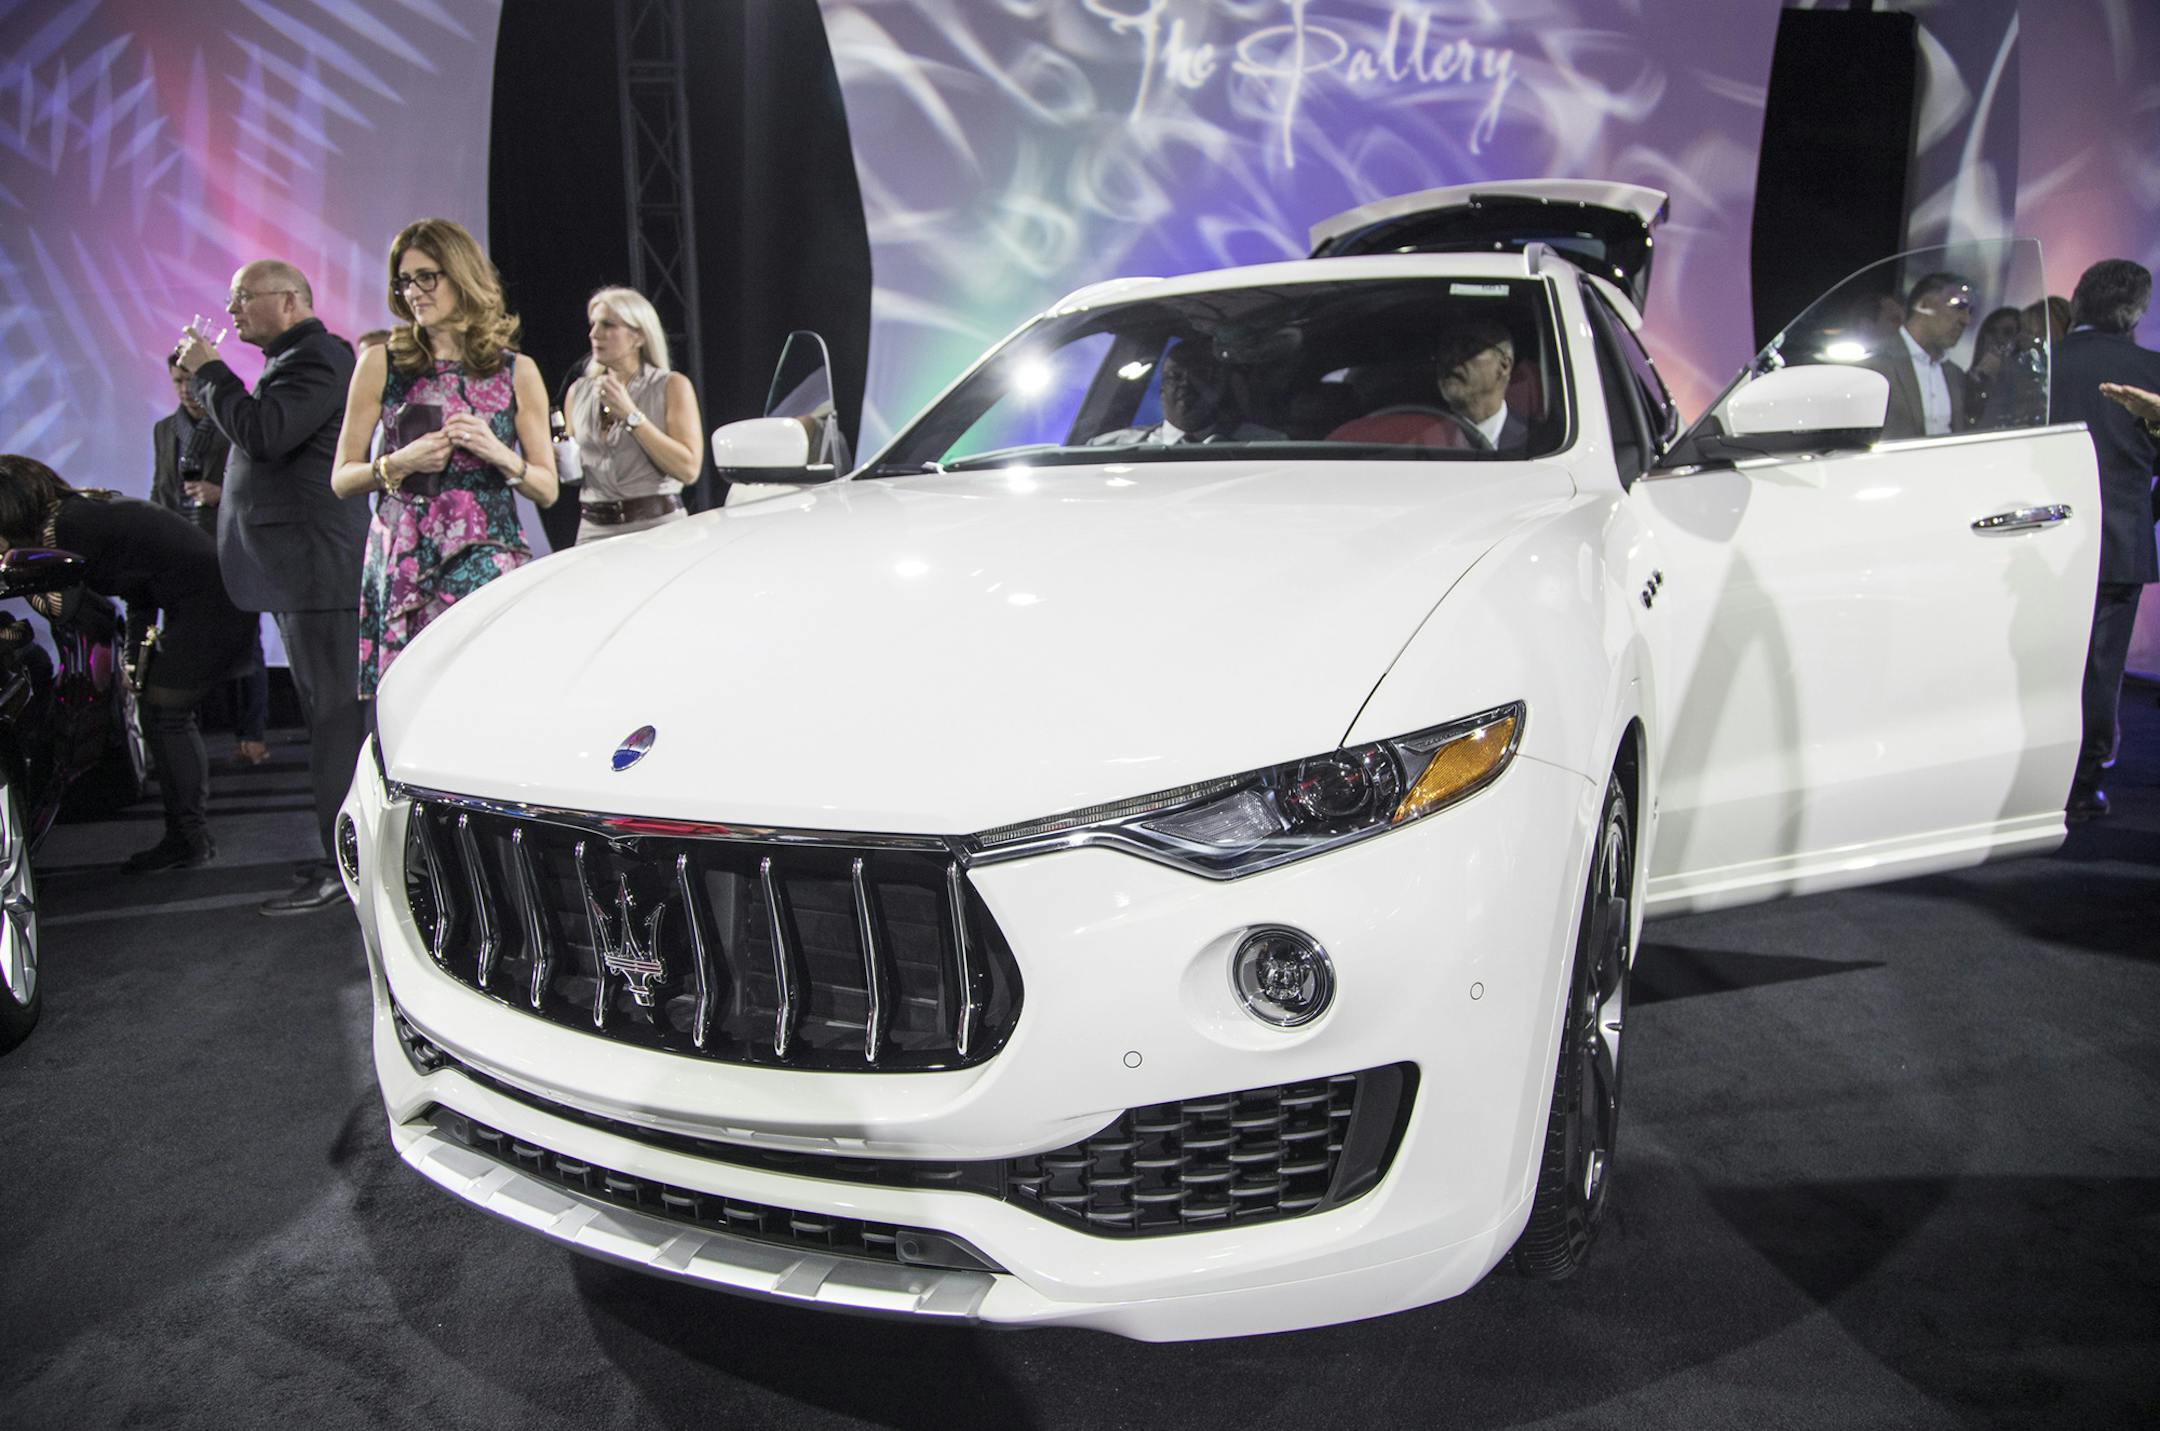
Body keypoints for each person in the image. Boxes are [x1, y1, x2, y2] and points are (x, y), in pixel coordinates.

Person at [173, 258, 369, 915]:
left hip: (319, 570)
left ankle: (346, 871)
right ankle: (347, 859)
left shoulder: (316, 357)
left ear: (288, 302)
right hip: (305, 572)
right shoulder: (297, 360)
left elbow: (264, 434)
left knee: (337, 725)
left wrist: (210, 369)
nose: (230, 314)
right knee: (330, 721)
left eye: (241, 300)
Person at [330, 218, 556, 700]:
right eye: (404, 280)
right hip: (405, 554)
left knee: (488, 691)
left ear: (461, 276)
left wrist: (497, 453)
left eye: (426, 277)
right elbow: (343, 478)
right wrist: (398, 463)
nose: (414, 292)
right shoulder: (381, 363)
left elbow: (547, 487)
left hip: (486, 552)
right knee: (411, 699)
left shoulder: (516, 371)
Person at [0, 455, 257, 870]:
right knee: (162, 714)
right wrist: (135, 654)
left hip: (210, 603)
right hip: (205, 598)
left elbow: (59, 607)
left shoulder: (67, 526)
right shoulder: (77, 511)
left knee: (166, 716)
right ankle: (186, 837)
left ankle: (189, 840)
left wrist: (12, 561)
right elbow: (139, 583)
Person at [2050, 259, 2160, 820]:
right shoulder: (2152, 368)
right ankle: (2084, 784)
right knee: (2100, 668)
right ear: (2137, 311)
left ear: (2078, 298)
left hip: (2035, 542)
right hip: (2119, 542)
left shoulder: (2041, 366)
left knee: (2034, 660)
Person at [150, 353, 269, 766]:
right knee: (181, 647)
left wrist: (220, 494)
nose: (185, 387)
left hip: (229, 546)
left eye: (190, 378)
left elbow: (258, 481)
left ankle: (252, 735)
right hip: (183, 552)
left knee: (247, 647)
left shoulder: (230, 421)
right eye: (177, 380)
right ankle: (187, 736)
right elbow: (161, 489)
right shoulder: (165, 430)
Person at [559, 286, 702, 542]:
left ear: (638, 336)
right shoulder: (578, 392)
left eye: (608, 325)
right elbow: (572, 473)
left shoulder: (670, 386)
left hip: (657, 528)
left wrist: (631, 415)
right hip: (594, 530)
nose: (594, 334)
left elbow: (689, 469)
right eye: (593, 325)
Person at [1327, 319, 1527, 452]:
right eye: (1444, 350)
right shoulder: (1409, 441)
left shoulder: (1544, 442)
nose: (1451, 359)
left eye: (1468, 348)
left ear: (1504, 365)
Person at [1091, 340, 1281, 445]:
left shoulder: (1266, 445)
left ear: (1221, 384)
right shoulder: (1109, 447)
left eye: (1199, 375)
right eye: (1174, 376)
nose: (1185, 385)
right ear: (1161, 388)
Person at [1869, 271, 1974, 439]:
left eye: (1970, 311)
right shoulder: (1875, 365)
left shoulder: (1955, 374)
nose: (1966, 320)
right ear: (1925, 305)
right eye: (1959, 307)